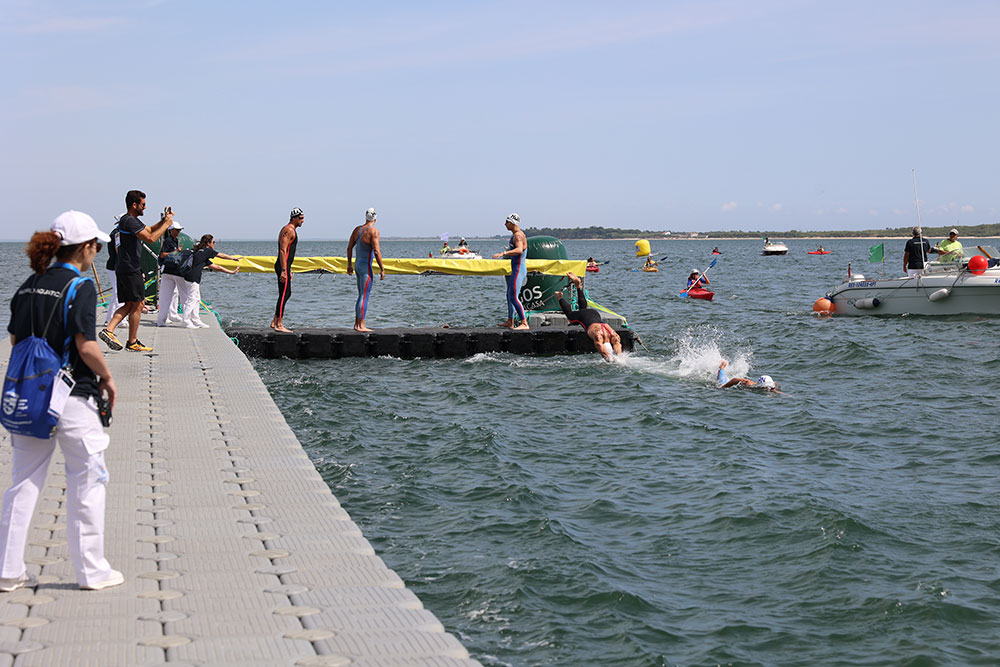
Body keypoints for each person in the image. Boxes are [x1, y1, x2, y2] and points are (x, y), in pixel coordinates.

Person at [2, 211, 122, 592]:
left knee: (23, 482)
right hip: (72, 396)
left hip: (31, 397)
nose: (98, 251)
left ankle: (8, 570)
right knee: (88, 479)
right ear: (85, 248)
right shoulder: (80, 287)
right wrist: (107, 376)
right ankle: (92, 571)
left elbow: (16, 343)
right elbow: (86, 345)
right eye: (96, 246)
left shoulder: (28, 285)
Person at [99, 191, 173, 352]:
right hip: (129, 268)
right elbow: (151, 238)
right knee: (137, 303)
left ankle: (124, 337)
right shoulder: (129, 221)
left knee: (134, 304)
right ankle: (115, 333)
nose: (145, 207)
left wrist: (163, 221)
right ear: (134, 205)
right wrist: (167, 225)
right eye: (143, 204)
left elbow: (150, 229)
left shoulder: (132, 221)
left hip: (129, 267)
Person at [555, 272, 622, 360]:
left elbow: (603, 350)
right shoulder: (609, 335)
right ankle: (568, 292)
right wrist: (616, 359)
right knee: (572, 317)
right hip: (603, 325)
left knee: (577, 313)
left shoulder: (603, 336)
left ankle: (572, 290)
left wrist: (610, 358)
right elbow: (611, 349)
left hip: (595, 318)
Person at [179, 235, 241, 329]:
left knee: (197, 299)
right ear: (208, 243)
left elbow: (217, 267)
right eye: (213, 242)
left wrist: (231, 272)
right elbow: (221, 255)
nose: (214, 244)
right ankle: (185, 320)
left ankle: (196, 320)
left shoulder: (201, 253)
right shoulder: (207, 251)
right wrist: (233, 258)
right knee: (192, 299)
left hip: (189, 277)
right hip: (193, 277)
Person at [346, 208, 385, 332]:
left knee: (361, 295)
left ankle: (357, 323)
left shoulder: (357, 230)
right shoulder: (374, 231)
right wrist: (382, 269)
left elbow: (349, 248)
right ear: (375, 218)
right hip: (366, 266)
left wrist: (349, 265)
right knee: (365, 295)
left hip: (357, 264)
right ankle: (360, 325)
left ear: (365, 217)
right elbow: (376, 251)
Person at [492, 213, 529, 330]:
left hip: (518, 270)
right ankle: (510, 321)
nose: (505, 224)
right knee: (509, 296)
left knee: (513, 297)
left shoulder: (518, 236)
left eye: (507, 222)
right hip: (516, 269)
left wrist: (503, 253)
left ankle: (524, 323)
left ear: (512, 223)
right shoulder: (516, 235)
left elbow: (519, 250)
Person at [271, 208, 303, 333]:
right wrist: (284, 270)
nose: (302, 221)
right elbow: (283, 250)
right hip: (282, 266)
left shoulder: (290, 230)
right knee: (284, 294)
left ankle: (274, 321)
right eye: (300, 218)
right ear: (294, 218)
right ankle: (279, 324)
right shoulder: (288, 230)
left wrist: (288, 269)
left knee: (285, 293)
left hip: (285, 266)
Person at [156, 220, 184, 324]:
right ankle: (164, 317)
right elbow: (163, 254)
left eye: (179, 230)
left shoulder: (175, 241)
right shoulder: (168, 241)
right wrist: (176, 252)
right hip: (167, 269)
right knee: (166, 294)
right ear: (171, 230)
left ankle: (173, 313)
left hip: (174, 269)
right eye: (177, 230)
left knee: (175, 293)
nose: (178, 232)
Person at [717, 360, 785, 394]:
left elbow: (775, 390)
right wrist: (723, 387)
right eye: (765, 386)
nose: (767, 388)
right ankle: (722, 366)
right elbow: (734, 380)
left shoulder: (769, 387)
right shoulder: (749, 383)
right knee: (721, 382)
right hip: (728, 383)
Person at [103, 225, 122, 328]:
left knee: (116, 293)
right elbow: (118, 249)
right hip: (115, 266)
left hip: (113, 265)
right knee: (118, 292)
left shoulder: (114, 232)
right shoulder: (117, 234)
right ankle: (120, 320)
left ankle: (109, 318)